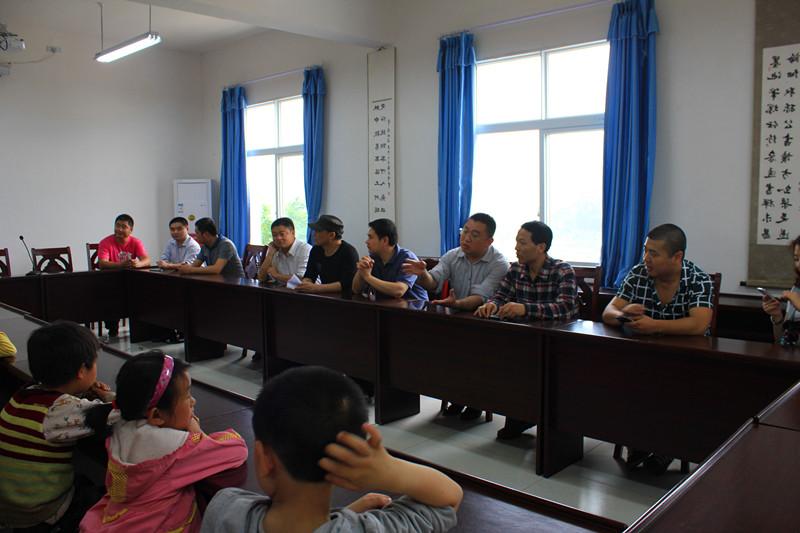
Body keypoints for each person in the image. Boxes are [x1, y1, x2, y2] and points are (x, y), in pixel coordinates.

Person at [200, 366, 462, 533]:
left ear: (263, 458)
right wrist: (389, 471)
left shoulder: (225, 510)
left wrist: (348, 513)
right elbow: (449, 497)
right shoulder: (375, 529)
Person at [80, 351, 248, 532]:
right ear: (156, 416)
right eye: (187, 395)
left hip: (115, 521)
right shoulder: (177, 448)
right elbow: (236, 450)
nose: (193, 401)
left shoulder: (119, 426)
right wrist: (195, 430)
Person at [601, 223, 714, 474]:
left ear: (677, 257)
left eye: (653, 253)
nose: (646, 259)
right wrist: (623, 314)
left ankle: (665, 449)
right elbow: (608, 311)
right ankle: (638, 443)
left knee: (673, 393)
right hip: (644, 359)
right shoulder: (638, 273)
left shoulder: (698, 279)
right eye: (645, 251)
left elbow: (699, 324)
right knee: (623, 383)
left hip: (686, 362)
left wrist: (655, 326)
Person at [0, 321, 117, 531]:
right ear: (81, 371)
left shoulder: (23, 395)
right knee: (109, 498)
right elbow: (120, 412)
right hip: (40, 513)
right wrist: (106, 395)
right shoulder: (61, 410)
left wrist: (81, 394)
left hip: (10, 507)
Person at [475, 221, 578, 440]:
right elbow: (500, 295)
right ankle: (519, 416)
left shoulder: (562, 270)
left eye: (522, 243)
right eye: (516, 242)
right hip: (523, 341)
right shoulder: (516, 269)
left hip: (558, 345)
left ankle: (542, 420)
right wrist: (491, 305)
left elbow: (566, 307)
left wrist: (525, 308)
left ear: (541, 247)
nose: (516, 247)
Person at [402, 213, 508, 420]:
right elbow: (434, 282)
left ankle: (476, 402)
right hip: (457, 320)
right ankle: (457, 397)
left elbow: (480, 298)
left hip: (487, 324)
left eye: (474, 235)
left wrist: (456, 304)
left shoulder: (499, 264)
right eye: (465, 231)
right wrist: (422, 274)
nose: (466, 238)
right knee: (443, 350)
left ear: (489, 241)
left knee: (475, 353)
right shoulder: (452, 255)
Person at [97, 213, 151, 337]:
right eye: (117, 226)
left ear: (131, 230)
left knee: (143, 294)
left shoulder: (136, 242)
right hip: (111, 280)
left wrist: (138, 264)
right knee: (110, 296)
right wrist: (121, 265)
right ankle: (113, 328)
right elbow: (102, 264)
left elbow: (147, 260)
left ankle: (141, 328)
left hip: (131, 280)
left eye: (124, 227)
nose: (119, 229)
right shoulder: (105, 242)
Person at [353, 218, 428, 301]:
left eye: (370, 237)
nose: (366, 241)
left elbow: (399, 291)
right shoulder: (373, 257)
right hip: (387, 305)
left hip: (415, 306)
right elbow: (356, 290)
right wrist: (361, 271)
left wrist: (368, 277)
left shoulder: (408, 258)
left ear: (385, 240)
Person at [297, 215, 359, 295]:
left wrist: (316, 288)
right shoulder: (316, 250)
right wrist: (306, 283)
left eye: (318, 231)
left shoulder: (349, 252)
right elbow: (309, 274)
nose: (314, 234)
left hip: (345, 298)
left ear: (331, 235)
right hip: (324, 295)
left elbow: (347, 283)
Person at [762, 235, 800, 344]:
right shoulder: (796, 289)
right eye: (796, 259)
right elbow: (780, 341)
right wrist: (777, 317)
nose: (799, 265)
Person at [177, 217, 245, 279]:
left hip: (236, 283)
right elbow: (195, 265)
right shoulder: (205, 246)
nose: (195, 236)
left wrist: (190, 270)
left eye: (197, 233)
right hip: (219, 280)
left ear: (206, 234)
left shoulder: (226, 244)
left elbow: (216, 269)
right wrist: (185, 267)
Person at [257, 217, 312, 285]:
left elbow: (302, 279)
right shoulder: (275, 250)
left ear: (293, 233)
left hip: (304, 290)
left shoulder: (305, 249)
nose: (278, 238)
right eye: (274, 235)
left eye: (282, 234)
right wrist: (270, 254)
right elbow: (261, 278)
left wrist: (277, 275)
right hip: (282, 289)